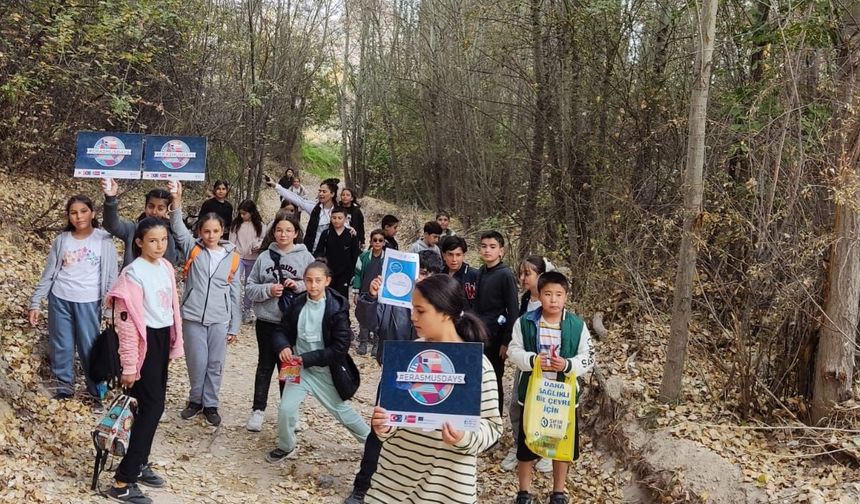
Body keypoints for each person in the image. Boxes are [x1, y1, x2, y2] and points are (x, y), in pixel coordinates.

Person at [364, 275, 502, 504]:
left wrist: (463, 437)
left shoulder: (476, 365)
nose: (412, 317)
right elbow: (391, 420)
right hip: (392, 486)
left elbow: (493, 427)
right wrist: (384, 426)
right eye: (412, 309)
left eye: (421, 311)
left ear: (446, 313)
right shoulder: (406, 357)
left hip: (447, 490)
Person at [343, 250, 443, 504]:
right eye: (418, 272)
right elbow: (370, 321)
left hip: (430, 377)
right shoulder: (393, 297)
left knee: (423, 434)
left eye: (426, 274)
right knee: (380, 430)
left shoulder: (442, 307)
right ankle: (362, 485)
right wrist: (371, 297)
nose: (420, 279)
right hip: (394, 374)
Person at [104, 217, 184, 504]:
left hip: (160, 342)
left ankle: (139, 463)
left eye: (163, 240)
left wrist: (173, 344)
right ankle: (123, 481)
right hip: (142, 345)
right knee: (152, 407)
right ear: (139, 242)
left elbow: (171, 309)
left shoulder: (164, 267)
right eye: (152, 240)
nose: (159, 245)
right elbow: (126, 328)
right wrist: (129, 365)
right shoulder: (132, 275)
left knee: (146, 407)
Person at [265, 261, 370, 463]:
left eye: (318, 281)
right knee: (286, 408)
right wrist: (283, 346)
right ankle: (286, 445)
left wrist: (306, 359)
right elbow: (281, 330)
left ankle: (370, 441)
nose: (313, 285)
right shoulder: (297, 303)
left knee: (341, 410)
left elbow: (340, 348)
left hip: (324, 369)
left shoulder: (337, 308)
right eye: (309, 280)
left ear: (327, 281)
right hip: (296, 366)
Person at [507, 271, 595, 504]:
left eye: (559, 294)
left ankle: (558, 491)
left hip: (562, 397)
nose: (553, 300)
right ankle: (524, 492)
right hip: (534, 395)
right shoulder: (525, 322)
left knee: (561, 444)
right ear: (539, 295)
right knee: (527, 444)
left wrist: (567, 364)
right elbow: (513, 351)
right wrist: (534, 360)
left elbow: (588, 357)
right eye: (548, 294)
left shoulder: (577, 325)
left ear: (566, 296)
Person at [28, 195, 118, 402]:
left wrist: (109, 309)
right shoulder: (61, 240)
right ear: (68, 216)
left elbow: (112, 276)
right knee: (62, 344)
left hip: (89, 301)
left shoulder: (104, 239)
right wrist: (36, 302)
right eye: (73, 213)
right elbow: (49, 273)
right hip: (60, 298)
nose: (79, 217)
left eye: (83, 211)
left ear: (93, 213)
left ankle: (96, 390)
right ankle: (64, 387)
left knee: (89, 346)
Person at [168, 181, 241, 427]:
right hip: (193, 315)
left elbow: (235, 292)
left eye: (215, 231)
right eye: (206, 231)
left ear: (223, 231)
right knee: (196, 361)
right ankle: (195, 400)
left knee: (215, 363)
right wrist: (176, 200)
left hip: (220, 318)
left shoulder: (232, 257)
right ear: (200, 232)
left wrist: (235, 325)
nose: (210, 236)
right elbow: (178, 229)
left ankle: (211, 403)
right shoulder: (193, 250)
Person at [244, 213, 315, 432]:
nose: (283, 234)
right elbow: (249, 287)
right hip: (266, 320)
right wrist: (268, 290)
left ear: (296, 233)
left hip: (292, 323)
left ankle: (289, 411)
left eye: (288, 230)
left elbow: (316, 284)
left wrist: (299, 285)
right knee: (265, 366)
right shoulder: (265, 256)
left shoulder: (305, 257)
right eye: (278, 230)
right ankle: (258, 410)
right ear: (273, 232)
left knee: (290, 368)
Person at [501, 256, 554, 473]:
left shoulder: (550, 300)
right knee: (517, 404)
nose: (523, 278)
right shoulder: (524, 300)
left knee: (545, 406)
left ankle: (546, 450)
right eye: (521, 274)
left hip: (548, 365)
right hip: (525, 363)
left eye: (527, 274)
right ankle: (519, 445)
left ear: (540, 275)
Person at [474, 230, 519, 415]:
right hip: (479, 334)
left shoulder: (505, 275)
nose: (487, 251)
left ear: (501, 251)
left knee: (494, 379)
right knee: (479, 377)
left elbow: (513, 310)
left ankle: (495, 421)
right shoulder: (481, 272)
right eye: (484, 246)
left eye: (492, 247)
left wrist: (506, 341)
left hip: (496, 336)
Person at [101, 177, 179, 267]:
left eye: (160, 209)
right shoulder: (133, 229)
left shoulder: (172, 232)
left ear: (167, 211)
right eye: (151, 206)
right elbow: (111, 225)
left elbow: (174, 259)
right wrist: (110, 198)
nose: (154, 212)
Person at [267, 175, 341, 252]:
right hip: (311, 250)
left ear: (332, 194)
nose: (321, 194)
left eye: (324, 191)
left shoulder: (339, 211)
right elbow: (296, 198)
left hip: (331, 251)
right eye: (320, 191)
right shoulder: (314, 208)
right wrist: (275, 186)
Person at [229, 200, 266, 323]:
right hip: (238, 257)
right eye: (240, 213)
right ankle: (233, 309)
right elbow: (231, 243)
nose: (242, 216)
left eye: (244, 213)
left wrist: (258, 245)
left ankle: (247, 309)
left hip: (253, 258)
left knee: (249, 285)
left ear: (251, 212)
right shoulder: (236, 225)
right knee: (235, 284)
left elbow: (263, 239)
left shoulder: (260, 225)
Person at [313, 207, 360, 299]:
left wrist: (353, 274)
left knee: (342, 299)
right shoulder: (326, 234)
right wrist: (320, 264)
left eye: (340, 218)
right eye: (334, 218)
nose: (336, 220)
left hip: (345, 274)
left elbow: (355, 256)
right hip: (328, 272)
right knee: (326, 297)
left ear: (345, 219)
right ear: (330, 218)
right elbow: (319, 251)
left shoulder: (351, 235)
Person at [352, 229, 386, 356]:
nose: (377, 242)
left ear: (384, 242)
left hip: (380, 294)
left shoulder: (387, 258)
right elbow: (357, 274)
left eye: (380, 240)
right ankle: (363, 342)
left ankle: (377, 343)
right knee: (363, 318)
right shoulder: (363, 257)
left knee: (379, 318)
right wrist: (356, 292)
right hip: (365, 292)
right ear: (371, 241)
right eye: (375, 240)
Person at [441, 235, 478, 309]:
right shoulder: (439, 276)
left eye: (458, 255)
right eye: (450, 254)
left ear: (463, 256)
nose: (454, 259)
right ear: (444, 255)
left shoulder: (475, 275)